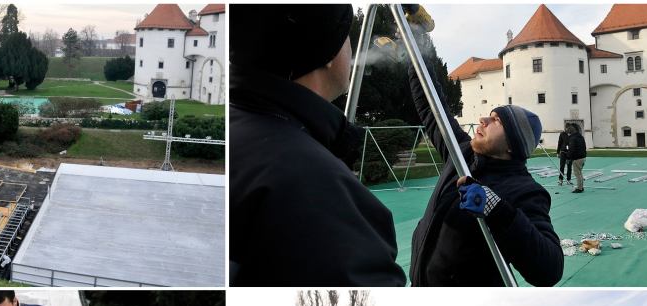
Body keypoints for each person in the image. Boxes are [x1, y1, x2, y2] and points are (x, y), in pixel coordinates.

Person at [229, 4, 407, 287]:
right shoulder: (322, 194)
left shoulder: (238, 126)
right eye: (346, 35)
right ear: (326, 55)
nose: (351, 46)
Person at [407, 58, 563, 286]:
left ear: (512, 144)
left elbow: (550, 270)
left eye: (497, 120)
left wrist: (496, 210)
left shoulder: (525, 191)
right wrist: (416, 55)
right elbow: (433, 109)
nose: (483, 119)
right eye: (490, 114)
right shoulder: (460, 153)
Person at [567, 123, 587, 193]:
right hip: (583, 157)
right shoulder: (581, 137)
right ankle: (581, 186)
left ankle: (579, 188)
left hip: (577, 158)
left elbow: (571, 149)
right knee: (580, 172)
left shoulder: (573, 138)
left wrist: (568, 158)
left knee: (577, 173)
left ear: (569, 132)